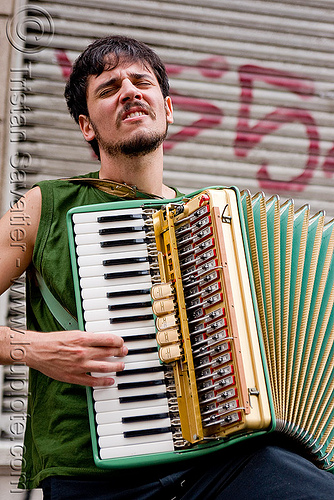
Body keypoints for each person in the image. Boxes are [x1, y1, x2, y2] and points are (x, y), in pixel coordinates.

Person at [0, 35, 333, 500]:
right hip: (93, 479)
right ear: (86, 126)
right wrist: (32, 348)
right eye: (108, 88)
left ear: (168, 107)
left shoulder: (213, 225)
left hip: (213, 463)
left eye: (142, 81)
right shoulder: (43, 206)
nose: (130, 92)